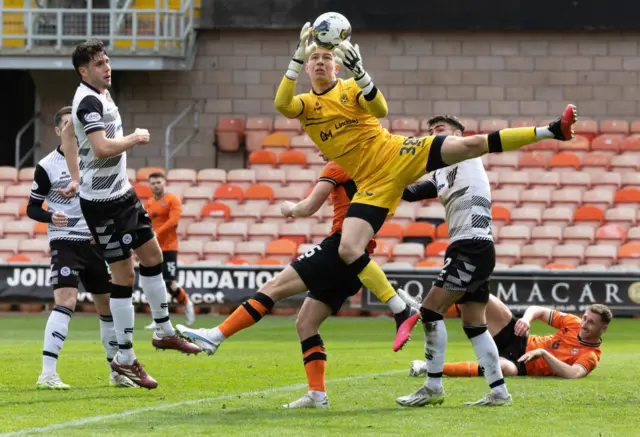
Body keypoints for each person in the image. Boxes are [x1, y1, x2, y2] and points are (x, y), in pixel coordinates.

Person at [273, 23, 578, 359]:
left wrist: (361, 73)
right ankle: (401, 309)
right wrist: (295, 59)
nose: (319, 61)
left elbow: (380, 110)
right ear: (306, 65)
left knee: (473, 145)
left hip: (396, 152)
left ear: (336, 64)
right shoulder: (303, 104)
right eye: (313, 57)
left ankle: (552, 130)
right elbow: (281, 104)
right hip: (374, 182)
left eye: (326, 56)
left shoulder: (348, 88)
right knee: (348, 248)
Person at [176, 157, 414, 409]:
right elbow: (407, 190)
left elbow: (309, 207)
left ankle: (215, 336)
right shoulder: (372, 165)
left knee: (272, 288)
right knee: (306, 323)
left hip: (338, 248)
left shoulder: (338, 164)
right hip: (359, 259)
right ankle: (317, 395)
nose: (321, 152)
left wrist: (291, 208)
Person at [60, 39, 201, 390]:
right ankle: (124, 358)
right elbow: (102, 147)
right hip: (103, 204)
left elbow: (66, 134)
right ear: (83, 71)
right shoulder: (89, 100)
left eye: (107, 61)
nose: (107, 67)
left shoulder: (101, 94)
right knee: (123, 276)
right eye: (99, 64)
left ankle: (164, 331)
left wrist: (76, 176)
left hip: (122, 193)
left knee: (152, 255)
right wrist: (133, 138)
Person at [390, 115, 511, 407]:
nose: (434, 135)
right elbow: (410, 193)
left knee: (431, 311)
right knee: (474, 325)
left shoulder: (468, 151)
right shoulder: (441, 172)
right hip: (472, 245)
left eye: (440, 130)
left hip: (471, 245)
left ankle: (433, 387)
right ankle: (499, 392)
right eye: (430, 131)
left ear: (457, 135)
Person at [29, 106, 136, 390]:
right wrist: (51, 216)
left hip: (94, 242)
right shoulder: (47, 165)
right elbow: (31, 207)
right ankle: (47, 374)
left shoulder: (93, 158)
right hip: (65, 242)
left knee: (106, 307)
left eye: (75, 125)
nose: (72, 131)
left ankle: (117, 371)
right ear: (57, 131)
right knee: (66, 300)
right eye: (67, 125)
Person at [407, 295, 611, 380]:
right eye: (585, 318)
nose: (584, 325)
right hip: (519, 339)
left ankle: (428, 367)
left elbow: (573, 374)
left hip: (521, 365)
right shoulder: (573, 322)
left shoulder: (591, 355)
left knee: (499, 368)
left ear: (603, 329)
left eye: (591, 323)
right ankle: (423, 309)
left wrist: (543, 354)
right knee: (481, 295)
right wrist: (527, 319)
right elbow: (537, 310)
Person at [143, 172, 196, 330]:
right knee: (154, 284)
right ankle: (157, 317)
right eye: (152, 183)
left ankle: (187, 304)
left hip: (169, 248)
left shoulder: (172, 199)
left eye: (158, 182)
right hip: (153, 249)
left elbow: (173, 221)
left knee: (170, 284)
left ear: (164, 182)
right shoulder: (150, 202)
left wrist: (157, 232)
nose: (156, 185)